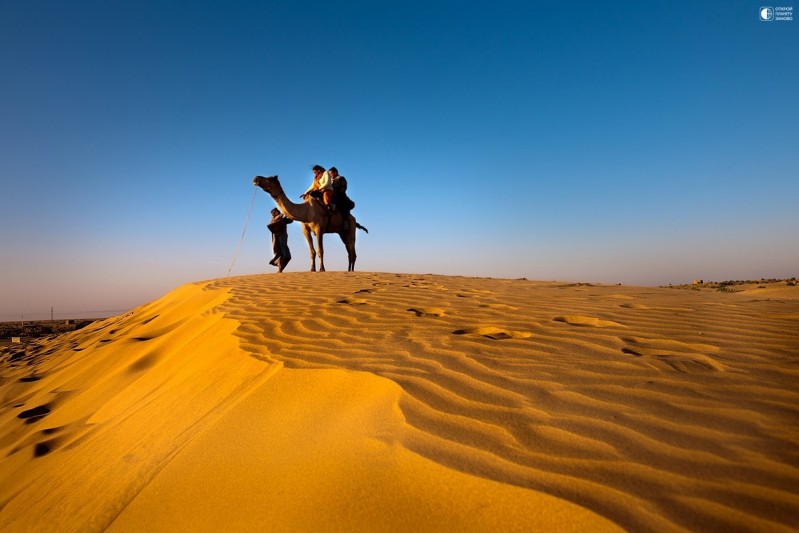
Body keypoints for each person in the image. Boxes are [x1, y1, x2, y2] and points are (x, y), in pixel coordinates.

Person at [267, 208, 292, 273]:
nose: (279, 211)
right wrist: (285, 213)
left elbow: (290, 220)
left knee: (286, 256)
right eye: (277, 211)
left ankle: (279, 269)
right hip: (281, 240)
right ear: (275, 214)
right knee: (286, 256)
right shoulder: (277, 219)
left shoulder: (280, 219)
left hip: (281, 240)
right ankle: (278, 267)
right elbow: (286, 218)